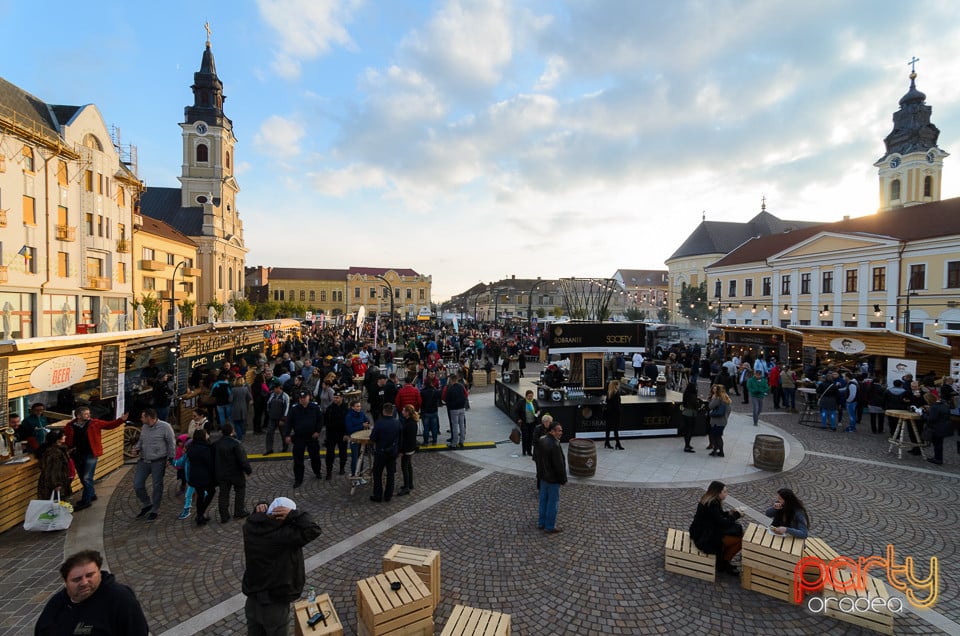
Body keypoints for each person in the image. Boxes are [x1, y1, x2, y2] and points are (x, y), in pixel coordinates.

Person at [242, 497, 322, 635]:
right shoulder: (284, 536)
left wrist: (260, 507)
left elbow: (255, 519)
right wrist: (293, 514)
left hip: (252, 601)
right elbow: (313, 529)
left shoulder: (249, 528)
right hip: (274, 604)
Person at [34, 549, 149, 636]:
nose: (84, 582)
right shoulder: (56, 604)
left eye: (89, 575)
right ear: (66, 582)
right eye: (77, 579)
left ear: (99, 572)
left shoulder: (120, 599)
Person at [64, 406, 128, 511]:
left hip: (91, 454)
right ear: (78, 416)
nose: (89, 415)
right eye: (86, 414)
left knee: (87, 477)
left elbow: (109, 425)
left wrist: (121, 420)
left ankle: (86, 501)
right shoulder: (70, 426)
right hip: (77, 455)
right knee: (82, 476)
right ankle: (91, 494)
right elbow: (68, 439)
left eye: (89, 413)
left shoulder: (94, 423)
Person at [689, 481, 744, 575]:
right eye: (725, 492)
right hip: (705, 538)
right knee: (741, 539)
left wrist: (729, 513)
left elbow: (717, 516)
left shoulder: (710, 500)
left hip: (701, 532)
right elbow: (722, 523)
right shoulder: (712, 504)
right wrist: (736, 515)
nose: (726, 494)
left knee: (738, 536)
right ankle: (723, 563)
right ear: (718, 493)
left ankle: (724, 560)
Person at [131, 408, 176, 521]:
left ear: (149, 417)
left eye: (142, 417)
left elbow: (171, 443)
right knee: (137, 484)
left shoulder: (165, 427)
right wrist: (136, 447)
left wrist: (170, 458)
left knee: (157, 486)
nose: (141, 419)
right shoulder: (145, 427)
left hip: (158, 461)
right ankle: (147, 504)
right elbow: (141, 440)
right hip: (144, 460)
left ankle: (155, 509)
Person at [285, 389, 324, 488]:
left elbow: (320, 420)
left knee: (315, 456)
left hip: (312, 436)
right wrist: (287, 435)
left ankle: (317, 471)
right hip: (299, 437)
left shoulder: (315, 407)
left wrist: (318, 431)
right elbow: (288, 422)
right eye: (301, 398)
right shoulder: (294, 409)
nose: (302, 400)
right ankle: (298, 479)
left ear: (308, 397)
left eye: (304, 398)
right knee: (298, 459)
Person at [534, 420, 567, 533]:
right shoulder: (555, 445)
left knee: (543, 501)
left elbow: (537, 459)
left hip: (543, 478)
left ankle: (541, 522)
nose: (561, 433)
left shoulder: (541, 440)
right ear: (552, 431)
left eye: (561, 430)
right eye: (559, 431)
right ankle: (550, 526)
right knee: (553, 503)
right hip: (553, 479)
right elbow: (559, 465)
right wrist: (563, 479)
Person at [215, 421, 252, 521]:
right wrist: (248, 470)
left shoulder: (216, 445)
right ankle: (239, 512)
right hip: (236, 473)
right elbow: (242, 460)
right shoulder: (236, 444)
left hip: (222, 474)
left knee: (223, 493)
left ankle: (224, 515)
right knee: (240, 490)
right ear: (232, 431)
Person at [369, 403, 401, 502]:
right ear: (392, 412)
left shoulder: (379, 423)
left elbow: (373, 438)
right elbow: (400, 439)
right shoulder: (398, 423)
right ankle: (388, 495)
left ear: (383, 411)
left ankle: (378, 495)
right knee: (390, 474)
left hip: (380, 453)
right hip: (392, 453)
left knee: (377, 474)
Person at [186, 428, 216, 527]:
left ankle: (200, 515)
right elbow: (210, 463)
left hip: (194, 475)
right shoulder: (207, 448)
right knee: (211, 492)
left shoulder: (191, 448)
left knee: (200, 495)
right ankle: (200, 514)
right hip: (205, 476)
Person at [36, 430, 73, 500]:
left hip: (54, 482)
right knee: (55, 505)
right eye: (63, 435)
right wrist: (56, 484)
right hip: (54, 485)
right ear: (58, 439)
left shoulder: (57, 450)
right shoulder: (54, 453)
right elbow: (53, 470)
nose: (65, 436)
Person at [924, 392, 954, 465]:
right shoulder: (944, 404)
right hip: (944, 427)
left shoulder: (934, 407)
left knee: (937, 444)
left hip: (937, 428)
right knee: (939, 444)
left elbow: (931, 419)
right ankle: (938, 458)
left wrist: (923, 415)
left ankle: (937, 459)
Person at [345, 399, 371, 478]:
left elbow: (367, 420)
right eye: (357, 406)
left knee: (361, 457)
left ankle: (360, 474)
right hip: (354, 439)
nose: (359, 408)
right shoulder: (348, 416)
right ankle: (354, 474)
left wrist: (367, 422)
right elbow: (349, 429)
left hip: (361, 439)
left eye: (359, 406)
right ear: (352, 407)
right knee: (355, 458)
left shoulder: (361, 413)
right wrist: (362, 425)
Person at [442, 373, 469, 449]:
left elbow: (445, 399)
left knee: (454, 426)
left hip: (453, 409)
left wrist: (449, 405)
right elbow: (466, 395)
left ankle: (454, 443)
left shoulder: (450, 388)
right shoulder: (461, 386)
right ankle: (461, 442)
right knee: (462, 425)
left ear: (451, 380)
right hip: (461, 408)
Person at [397, 404, 419, 496]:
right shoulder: (412, 422)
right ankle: (410, 484)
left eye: (403, 411)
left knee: (405, 467)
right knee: (408, 466)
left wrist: (402, 451)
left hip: (407, 448)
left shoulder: (409, 424)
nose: (402, 412)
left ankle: (406, 487)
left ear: (407, 413)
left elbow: (406, 439)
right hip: (411, 447)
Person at [264, 381, 290, 455]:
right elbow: (268, 404)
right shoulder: (272, 395)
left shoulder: (285, 396)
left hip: (281, 418)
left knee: (283, 434)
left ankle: (285, 448)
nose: (273, 390)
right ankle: (269, 449)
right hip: (272, 418)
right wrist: (269, 413)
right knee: (269, 433)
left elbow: (287, 408)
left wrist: (283, 419)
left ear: (279, 388)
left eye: (274, 388)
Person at [706, 384, 732, 457]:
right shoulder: (726, 398)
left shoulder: (718, 398)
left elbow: (710, 406)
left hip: (716, 421)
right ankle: (719, 451)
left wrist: (713, 399)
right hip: (723, 421)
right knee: (718, 436)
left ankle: (718, 451)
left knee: (716, 437)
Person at [515, 389, 542, 456]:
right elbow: (516, 411)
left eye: (531, 396)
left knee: (531, 437)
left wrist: (538, 412)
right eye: (529, 396)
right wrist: (519, 419)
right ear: (526, 396)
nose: (530, 398)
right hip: (524, 422)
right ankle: (524, 451)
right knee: (525, 437)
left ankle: (529, 451)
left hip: (532, 422)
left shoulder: (534, 402)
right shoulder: (521, 402)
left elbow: (539, 409)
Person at [230, 375, 253, 441]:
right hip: (243, 407)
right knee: (241, 422)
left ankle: (239, 436)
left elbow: (230, 399)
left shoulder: (233, 390)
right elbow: (250, 398)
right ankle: (242, 433)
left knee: (236, 423)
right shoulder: (245, 389)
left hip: (235, 408)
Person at [419, 376, 441, 446]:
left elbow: (420, 402)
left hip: (426, 412)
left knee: (426, 428)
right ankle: (434, 441)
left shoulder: (422, 392)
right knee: (434, 428)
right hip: (434, 411)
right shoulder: (435, 391)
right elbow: (439, 396)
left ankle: (426, 442)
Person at [604, 380, 624, 450]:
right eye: (618, 385)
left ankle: (607, 442)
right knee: (615, 429)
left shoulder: (609, 393)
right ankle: (618, 444)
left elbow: (607, 403)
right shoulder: (616, 394)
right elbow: (617, 405)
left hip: (609, 413)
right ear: (616, 385)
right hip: (615, 413)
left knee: (608, 428)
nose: (619, 386)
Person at [680, 382, 699, 453]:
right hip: (691, 414)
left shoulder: (686, 394)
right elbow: (695, 405)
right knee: (690, 431)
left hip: (685, 413)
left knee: (686, 430)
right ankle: (687, 446)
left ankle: (687, 444)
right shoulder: (692, 395)